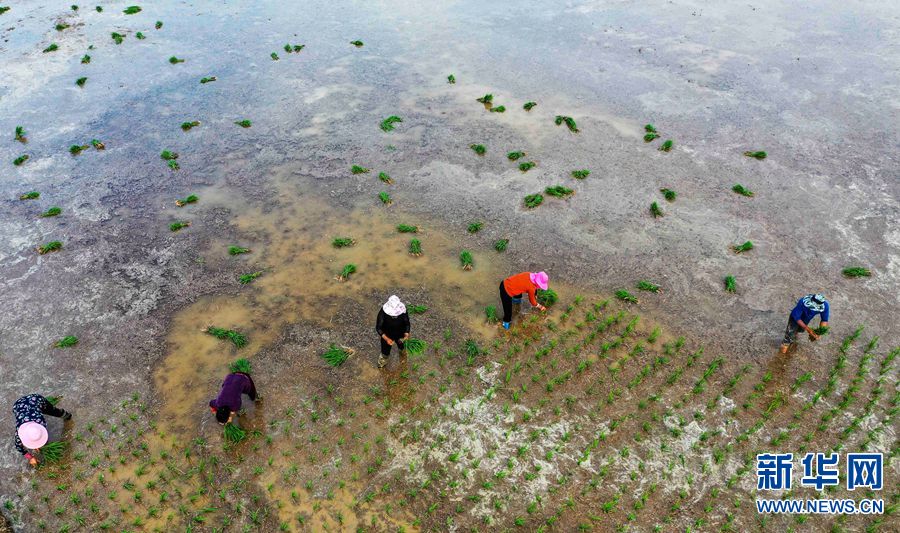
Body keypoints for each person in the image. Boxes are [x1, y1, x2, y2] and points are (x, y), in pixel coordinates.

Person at [12, 394, 72, 467]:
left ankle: (66, 415)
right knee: (24, 415)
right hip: (18, 406)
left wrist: (38, 445)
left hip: (36, 400)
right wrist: (30, 457)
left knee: (52, 411)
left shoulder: (40, 422)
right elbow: (19, 447)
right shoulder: (18, 434)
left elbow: (41, 435)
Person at [375, 295, 410, 368]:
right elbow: (378, 328)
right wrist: (387, 339)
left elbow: (407, 323)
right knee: (385, 352)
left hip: (400, 335)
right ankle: (381, 365)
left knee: (402, 348)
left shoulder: (403, 310)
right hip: (387, 335)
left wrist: (406, 333)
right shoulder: (383, 313)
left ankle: (403, 358)